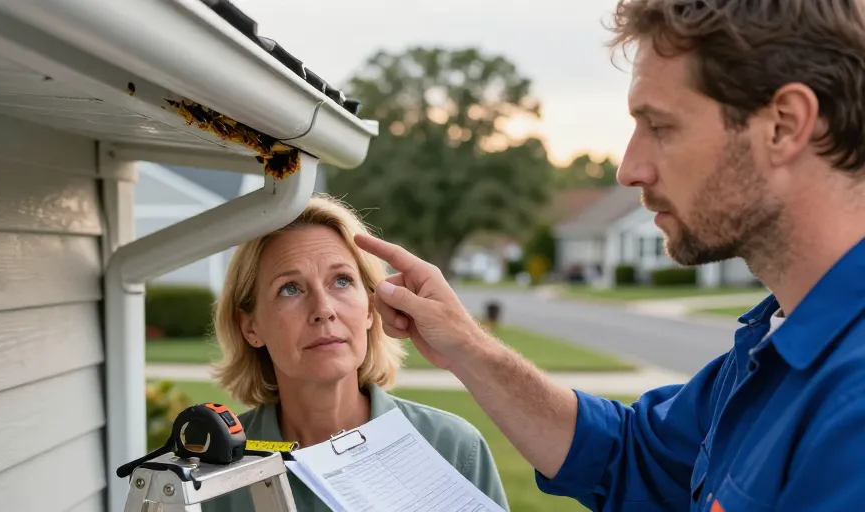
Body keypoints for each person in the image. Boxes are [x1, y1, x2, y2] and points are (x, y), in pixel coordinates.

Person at [352, 1, 865, 511]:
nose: (629, 169)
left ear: (784, 124)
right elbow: (631, 455)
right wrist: (467, 345)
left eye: (660, 126)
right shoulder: (773, 346)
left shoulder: (852, 408)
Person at [198, 194, 509, 512]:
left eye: (342, 281)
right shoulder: (207, 471)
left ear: (373, 307)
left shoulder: (453, 448)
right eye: (290, 288)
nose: (323, 309)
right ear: (250, 327)